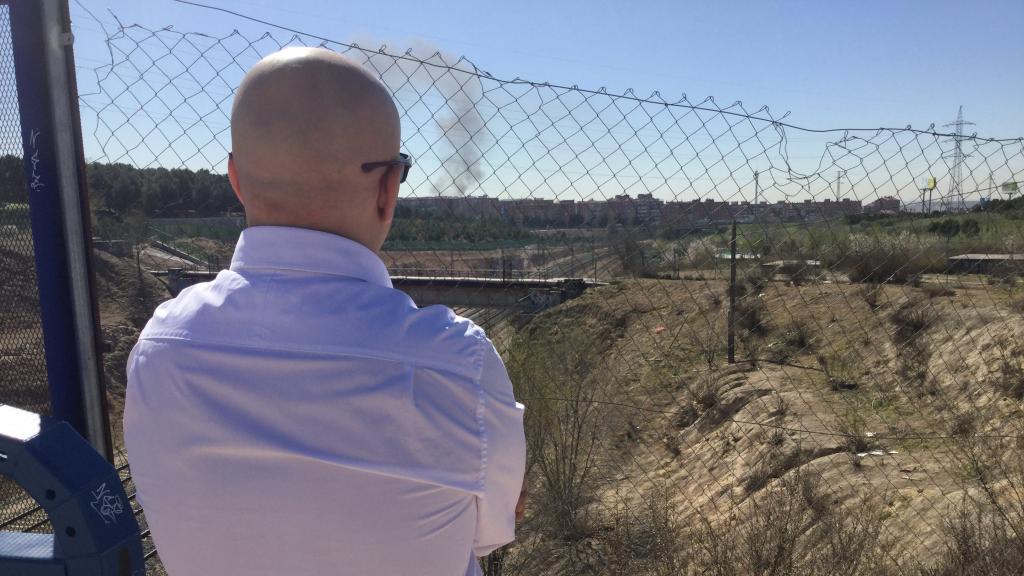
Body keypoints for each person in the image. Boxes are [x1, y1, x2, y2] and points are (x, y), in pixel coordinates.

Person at [124, 47, 526, 576]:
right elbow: (491, 533)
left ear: (236, 179)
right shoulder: (459, 366)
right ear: (387, 190)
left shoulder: (158, 351)